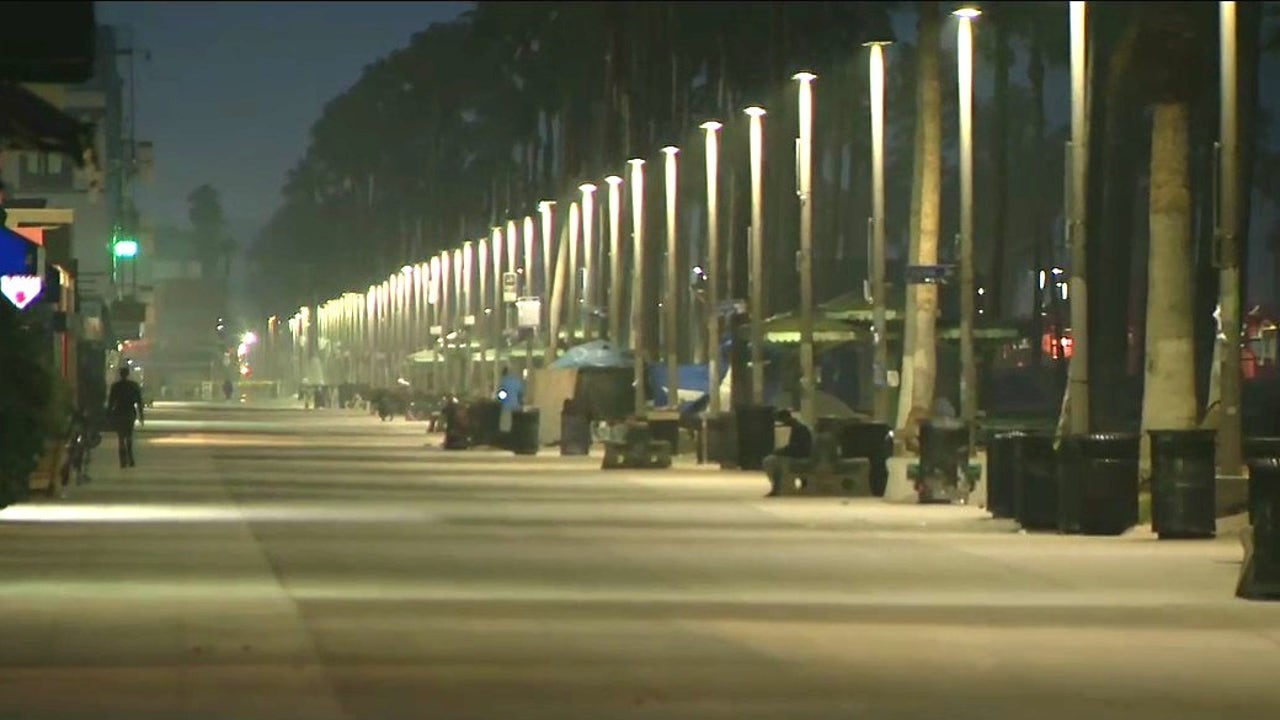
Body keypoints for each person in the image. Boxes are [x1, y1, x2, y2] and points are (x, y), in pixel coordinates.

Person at [762, 409, 813, 497]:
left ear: (786, 418)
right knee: (772, 460)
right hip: (796, 454)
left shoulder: (799, 429)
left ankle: (776, 486)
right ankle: (776, 486)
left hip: (799, 456)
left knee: (769, 461)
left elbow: (797, 447)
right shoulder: (797, 427)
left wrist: (781, 452)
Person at [107, 366, 145, 468]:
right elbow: (139, 402)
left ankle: (122, 460)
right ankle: (130, 457)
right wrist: (141, 416)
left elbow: (111, 402)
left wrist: (108, 414)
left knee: (120, 437)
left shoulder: (116, 386)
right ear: (128, 374)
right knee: (129, 435)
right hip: (130, 412)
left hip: (119, 412)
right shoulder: (134, 386)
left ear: (120, 374)